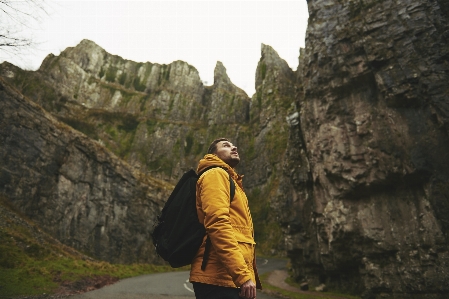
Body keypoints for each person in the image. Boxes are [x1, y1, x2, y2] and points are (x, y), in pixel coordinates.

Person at [189, 138, 262, 299]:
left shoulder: (230, 180)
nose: (234, 147)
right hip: (218, 279)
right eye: (226, 146)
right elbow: (218, 224)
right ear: (213, 155)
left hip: (228, 278)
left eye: (233, 145)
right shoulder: (215, 174)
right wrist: (242, 276)